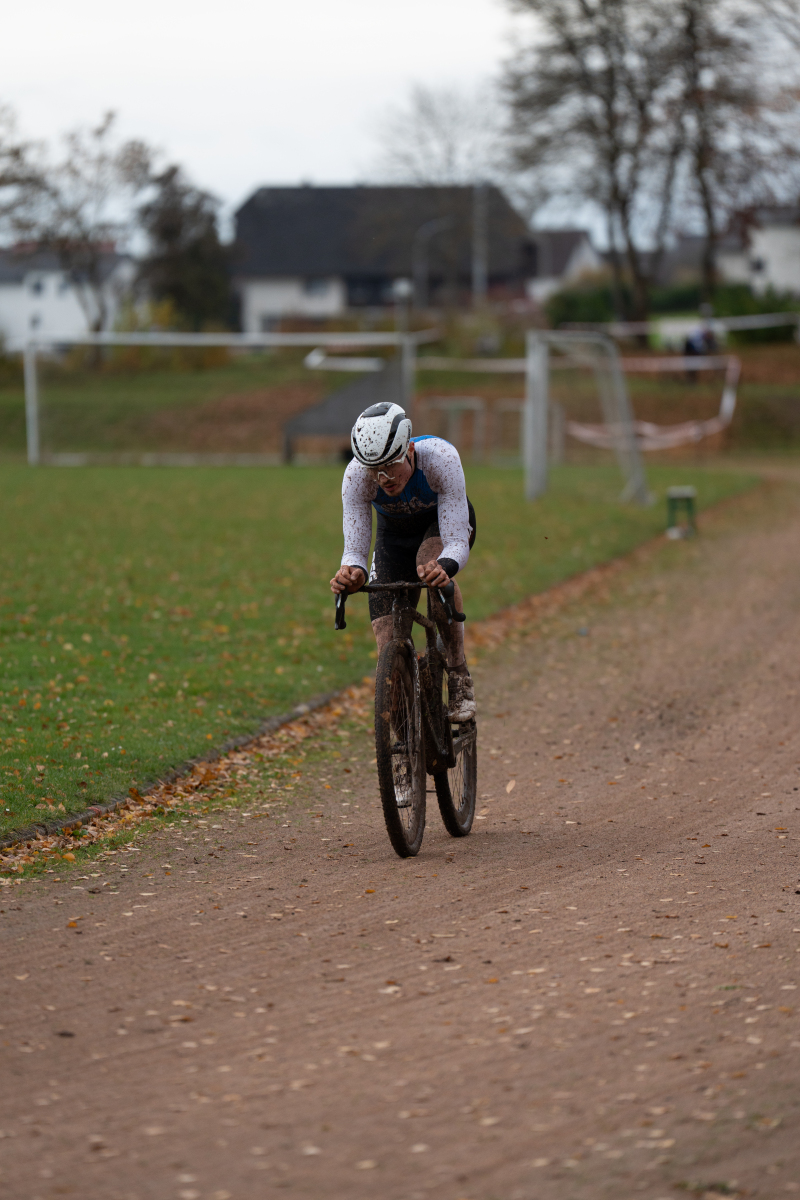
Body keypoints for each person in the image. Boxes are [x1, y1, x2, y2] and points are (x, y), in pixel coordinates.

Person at [330, 401, 476, 722]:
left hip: (440, 526)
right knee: (386, 638)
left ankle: (457, 674)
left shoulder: (440, 458)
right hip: (394, 536)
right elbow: (355, 551)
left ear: (409, 449)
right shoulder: (356, 475)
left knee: (429, 566)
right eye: (374, 469)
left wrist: (445, 567)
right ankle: (407, 729)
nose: (383, 478)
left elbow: (455, 542)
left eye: (390, 466)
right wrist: (351, 574)